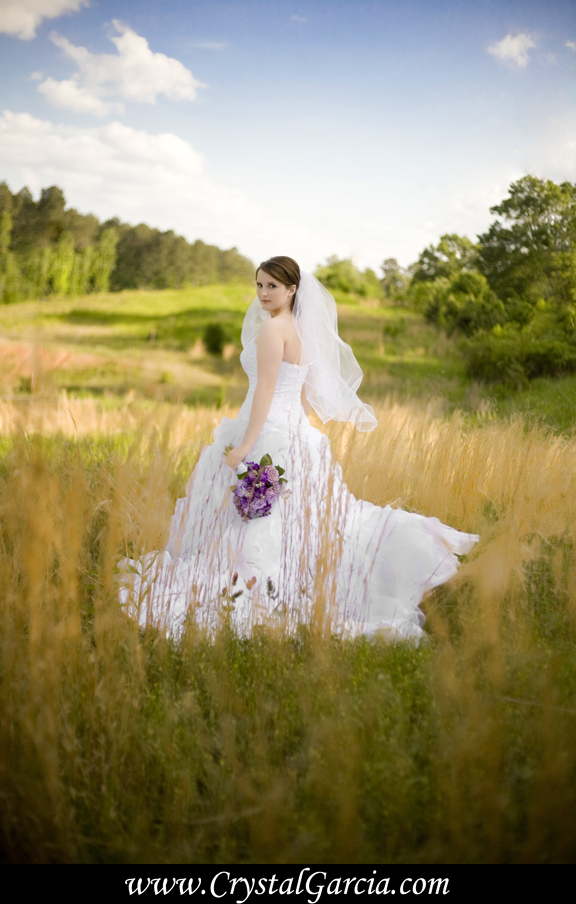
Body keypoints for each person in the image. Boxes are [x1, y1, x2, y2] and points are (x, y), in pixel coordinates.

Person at [118, 256, 478, 640]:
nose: (263, 293)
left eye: (272, 286)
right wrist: (298, 435)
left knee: (260, 523)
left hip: (267, 432)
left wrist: (246, 444)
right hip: (294, 434)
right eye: (259, 285)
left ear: (292, 289)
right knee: (301, 524)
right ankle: (295, 584)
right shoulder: (303, 332)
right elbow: (303, 396)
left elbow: (267, 389)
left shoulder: (274, 330)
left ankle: (258, 589)